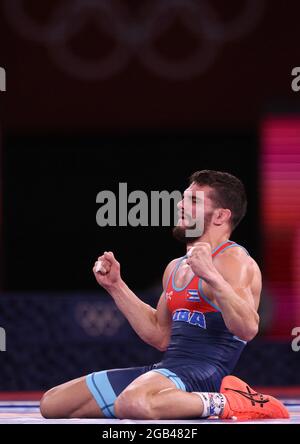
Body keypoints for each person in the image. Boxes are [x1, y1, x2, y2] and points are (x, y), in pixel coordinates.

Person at [40, 170, 289, 420]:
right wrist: (116, 286)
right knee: (53, 404)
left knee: (133, 403)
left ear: (221, 215)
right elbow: (160, 335)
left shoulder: (234, 260)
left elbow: (247, 327)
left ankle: (231, 401)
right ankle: (157, 398)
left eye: (193, 201)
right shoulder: (175, 267)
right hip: (168, 372)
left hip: (206, 376)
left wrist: (212, 276)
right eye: (183, 198)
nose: (180, 205)